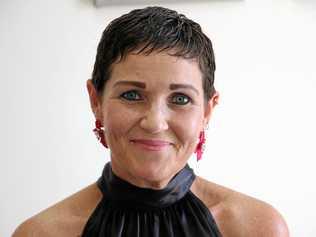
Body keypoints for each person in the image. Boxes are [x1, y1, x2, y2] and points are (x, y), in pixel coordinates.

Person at [13, 6, 289, 237]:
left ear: (207, 110)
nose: (155, 123)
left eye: (180, 99)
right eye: (132, 95)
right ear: (96, 101)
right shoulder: (40, 233)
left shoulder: (258, 228)